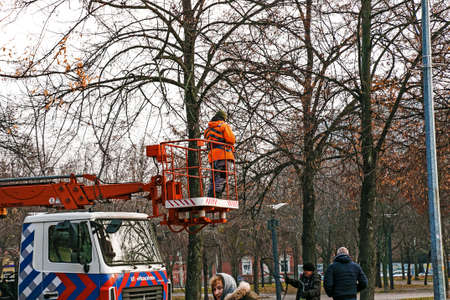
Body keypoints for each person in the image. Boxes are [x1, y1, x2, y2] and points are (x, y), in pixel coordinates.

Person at [204, 110, 235, 198]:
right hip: (223, 155)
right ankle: (216, 196)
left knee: (213, 178)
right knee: (221, 177)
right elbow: (231, 139)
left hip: (212, 157)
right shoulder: (224, 126)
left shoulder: (208, 129)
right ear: (223, 118)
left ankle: (210, 195)